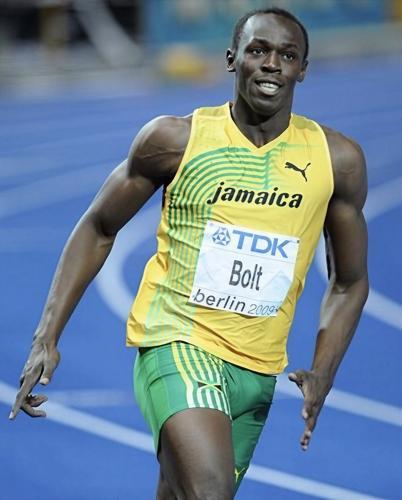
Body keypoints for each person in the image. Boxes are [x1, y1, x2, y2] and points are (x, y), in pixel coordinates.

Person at [10, 7, 368, 500]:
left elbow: (350, 281)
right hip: (178, 342)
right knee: (209, 491)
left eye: (287, 56)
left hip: (258, 367)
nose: (272, 64)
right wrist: (46, 336)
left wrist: (324, 370)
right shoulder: (176, 140)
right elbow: (98, 226)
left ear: (302, 69)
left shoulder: (336, 161)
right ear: (231, 58)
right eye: (258, 50)